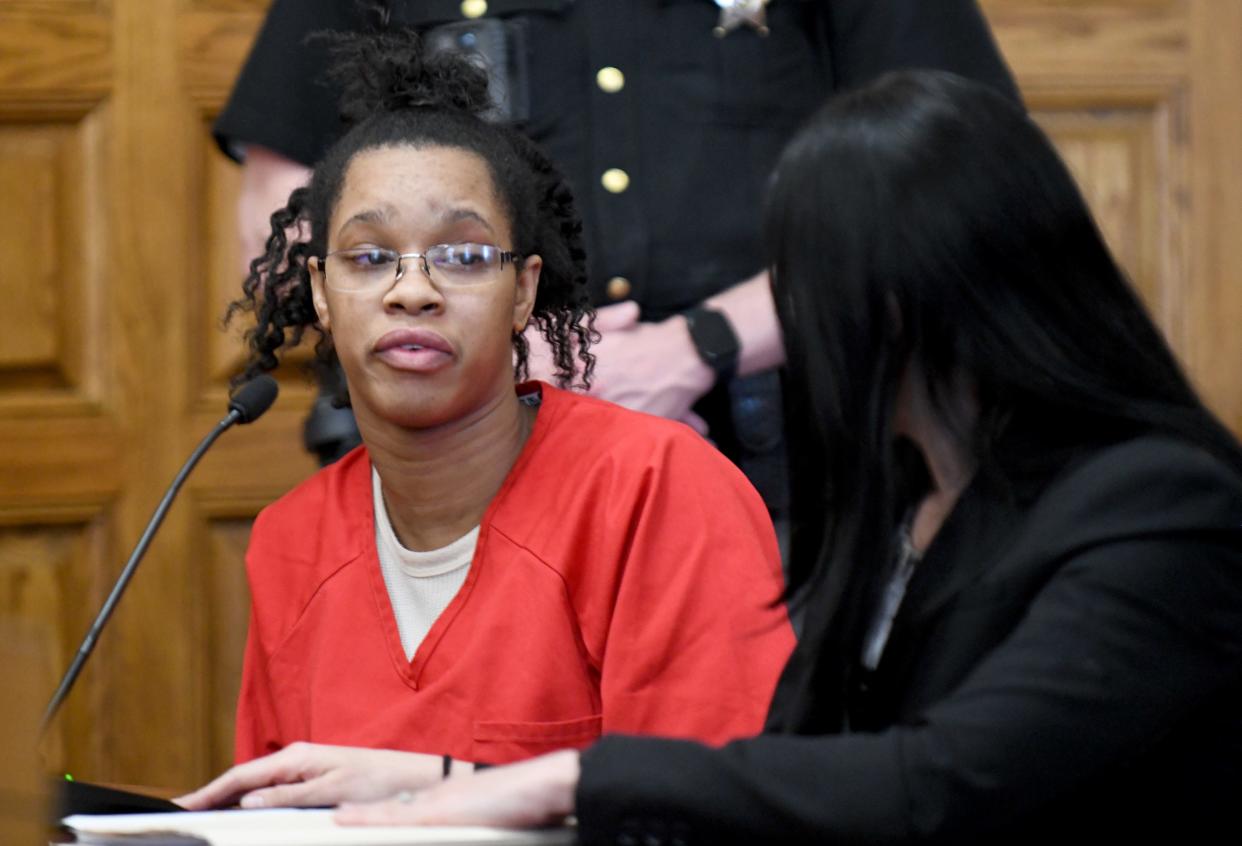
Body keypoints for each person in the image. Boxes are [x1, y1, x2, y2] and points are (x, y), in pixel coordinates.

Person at [322, 71, 1242, 842]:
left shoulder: (1161, 505)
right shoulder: (907, 504)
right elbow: (804, 771)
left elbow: (942, 784)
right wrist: (446, 782)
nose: (789, 327)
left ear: (900, 294)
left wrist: (574, 779)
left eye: (801, 279)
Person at [177, 28, 793, 810]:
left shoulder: (657, 489)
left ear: (525, 294)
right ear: (322, 293)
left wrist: (455, 790)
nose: (412, 291)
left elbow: (719, 809)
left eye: (463, 256)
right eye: (369, 258)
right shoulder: (291, 541)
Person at [214, 0, 1019, 517]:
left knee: (765, 773)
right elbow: (287, 218)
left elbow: (955, 185)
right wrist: (483, 344)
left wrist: (700, 346)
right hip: (464, 474)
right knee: (453, 771)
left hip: (787, 475)